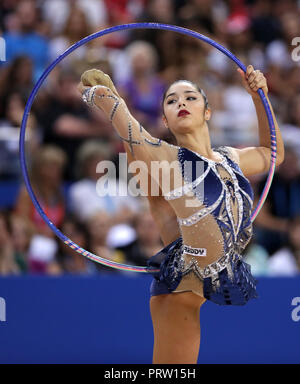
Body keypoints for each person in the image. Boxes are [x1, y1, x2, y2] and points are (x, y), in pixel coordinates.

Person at [77, 64, 284, 363]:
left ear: (207, 111)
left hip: (207, 270)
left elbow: (273, 153)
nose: (181, 103)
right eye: (172, 101)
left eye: (190, 97)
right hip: (178, 292)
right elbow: (130, 129)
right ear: (165, 119)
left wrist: (258, 96)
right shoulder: (167, 156)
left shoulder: (230, 158)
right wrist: (105, 96)